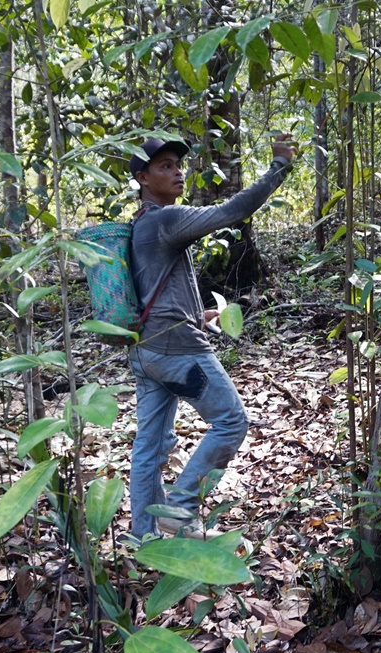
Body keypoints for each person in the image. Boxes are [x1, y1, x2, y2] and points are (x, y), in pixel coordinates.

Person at [126, 133, 296, 539]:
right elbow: (233, 210)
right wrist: (279, 166)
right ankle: (181, 507)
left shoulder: (140, 227)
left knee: (150, 446)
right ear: (142, 178)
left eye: (177, 164)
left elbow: (153, 291)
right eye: (164, 166)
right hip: (177, 352)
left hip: (145, 351)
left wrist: (194, 316)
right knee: (232, 421)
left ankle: (142, 536)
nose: (177, 171)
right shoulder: (165, 219)